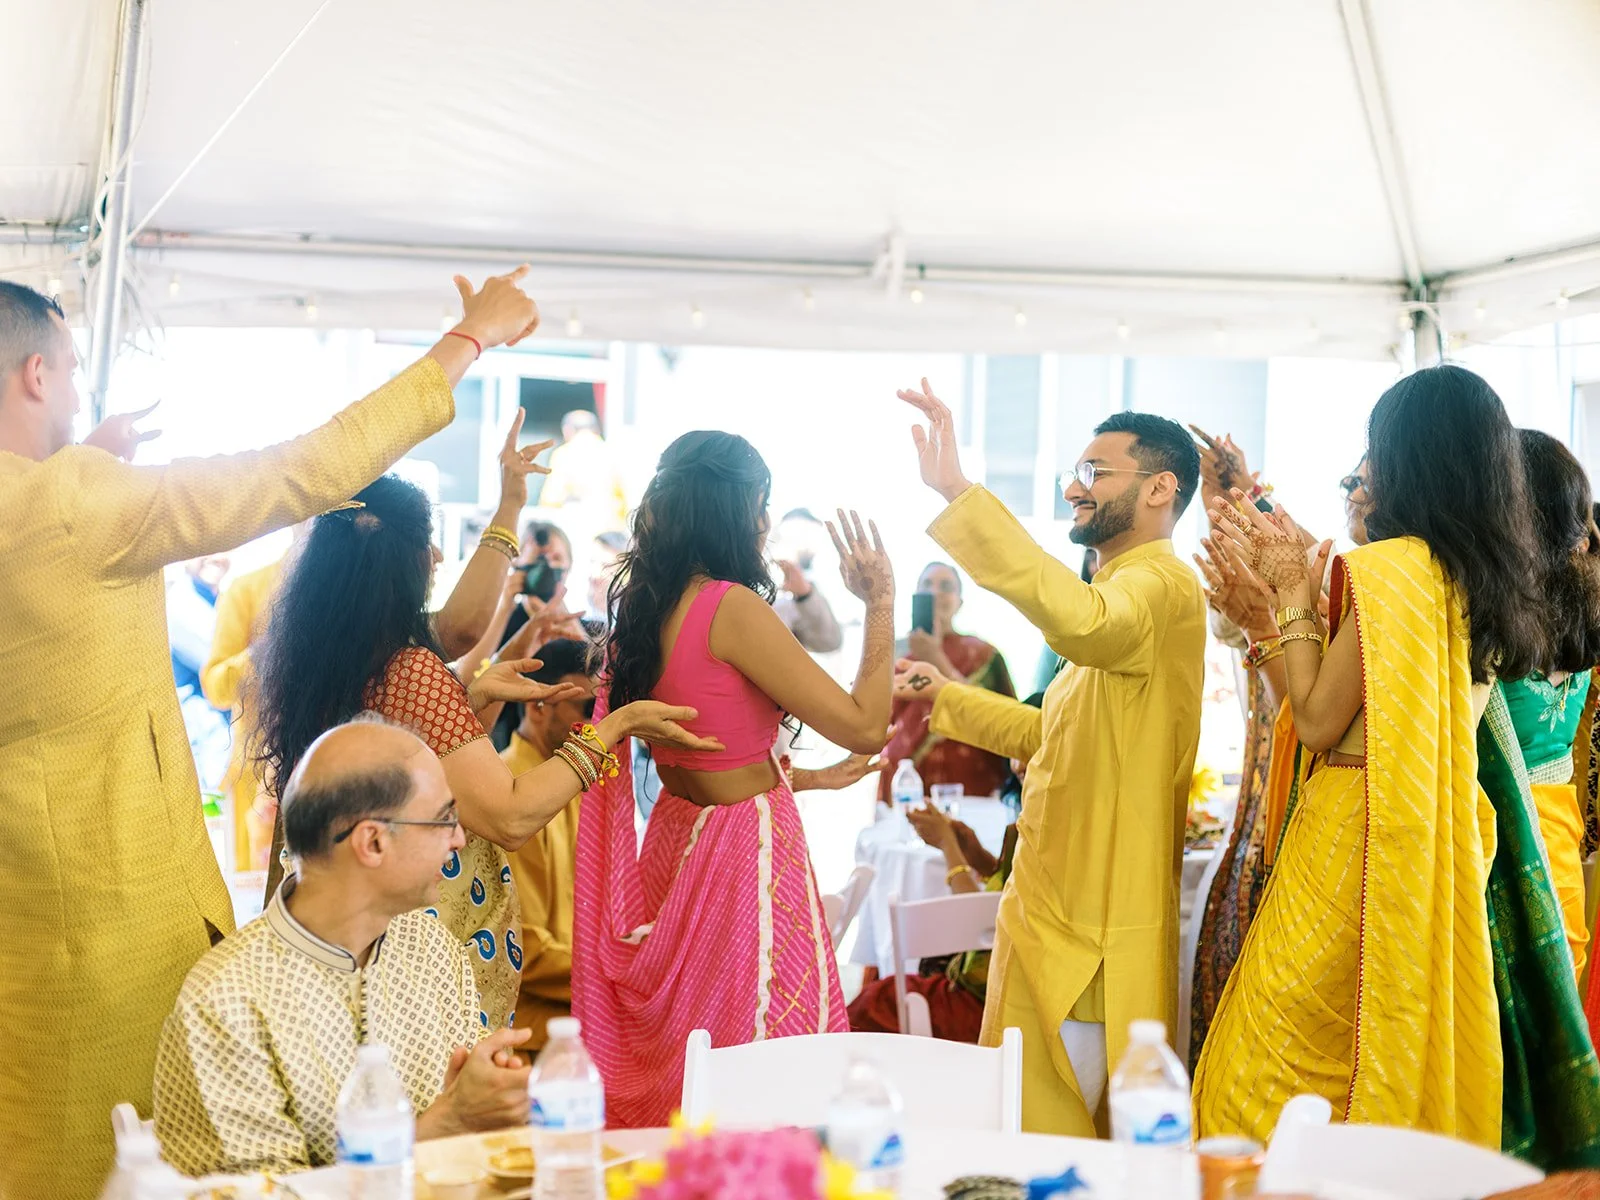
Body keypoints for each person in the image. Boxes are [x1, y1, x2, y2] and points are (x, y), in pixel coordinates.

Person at [0, 268, 539, 1199]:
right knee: (145, 1163)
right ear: (36, 376)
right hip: (112, 920)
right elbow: (304, 469)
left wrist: (91, 453)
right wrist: (469, 340)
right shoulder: (75, 503)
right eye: (75, 368)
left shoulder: (48, 505)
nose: (82, 390)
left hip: (28, 913)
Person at [1194, 365, 1547, 1148]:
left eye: (1373, 451)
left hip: (1352, 837)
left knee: (1262, 1068)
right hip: (1422, 844)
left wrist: (1285, 597)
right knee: (1364, 1052)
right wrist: (1272, 603)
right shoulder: (1475, 577)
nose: (1363, 472)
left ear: (1413, 457)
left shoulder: (1393, 574)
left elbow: (1319, 721)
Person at [252, 470, 718, 1032]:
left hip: (353, 924)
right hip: (410, 947)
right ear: (398, 560)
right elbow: (511, 816)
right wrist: (614, 727)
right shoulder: (407, 667)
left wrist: (470, 701)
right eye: (428, 543)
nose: (438, 557)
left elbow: (396, 774)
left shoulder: (334, 651)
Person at [895, 378, 1206, 1137]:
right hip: (1047, 914)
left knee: (1061, 1144)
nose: (1074, 488)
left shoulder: (1160, 587)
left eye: (1096, 472)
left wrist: (961, 493)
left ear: (1160, 488)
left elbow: (1082, 626)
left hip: (1091, 940)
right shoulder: (1122, 592)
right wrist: (942, 694)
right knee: (1023, 1129)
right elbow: (1048, 739)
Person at [575, 431, 896, 1128]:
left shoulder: (645, 605)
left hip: (678, 836)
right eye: (761, 504)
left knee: (693, 1049)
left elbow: (705, 747)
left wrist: (798, 777)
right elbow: (867, 725)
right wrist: (880, 601)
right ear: (732, 508)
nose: (764, 523)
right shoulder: (731, 607)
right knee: (763, 1059)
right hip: (741, 855)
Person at [154, 718, 532, 1175]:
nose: (460, 838)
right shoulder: (226, 1001)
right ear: (372, 842)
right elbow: (262, 1192)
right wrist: (448, 1122)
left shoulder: (429, 944)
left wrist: (486, 1099)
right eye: (443, 819)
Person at [498, 638, 599, 1051]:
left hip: (577, 1020)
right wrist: (615, 978)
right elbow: (523, 944)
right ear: (538, 705)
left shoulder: (572, 784)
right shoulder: (507, 792)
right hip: (533, 1039)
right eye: (588, 709)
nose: (598, 725)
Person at [879, 561, 1014, 806]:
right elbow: (878, 720)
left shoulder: (983, 655)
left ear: (959, 601)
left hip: (971, 783)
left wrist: (935, 658)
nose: (936, 592)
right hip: (907, 781)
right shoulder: (895, 653)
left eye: (946, 586)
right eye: (927, 585)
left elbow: (1001, 718)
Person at [202, 553, 291, 870]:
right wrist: (261, 653)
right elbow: (217, 687)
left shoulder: (350, 582)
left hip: (325, 768)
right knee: (258, 897)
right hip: (257, 775)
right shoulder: (248, 588)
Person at [539, 409, 628, 530]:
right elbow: (625, 497)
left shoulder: (564, 454)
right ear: (597, 429)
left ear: (567, 430)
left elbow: (551, 500)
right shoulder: (612, 452)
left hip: (580, 530)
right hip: (611, 532)